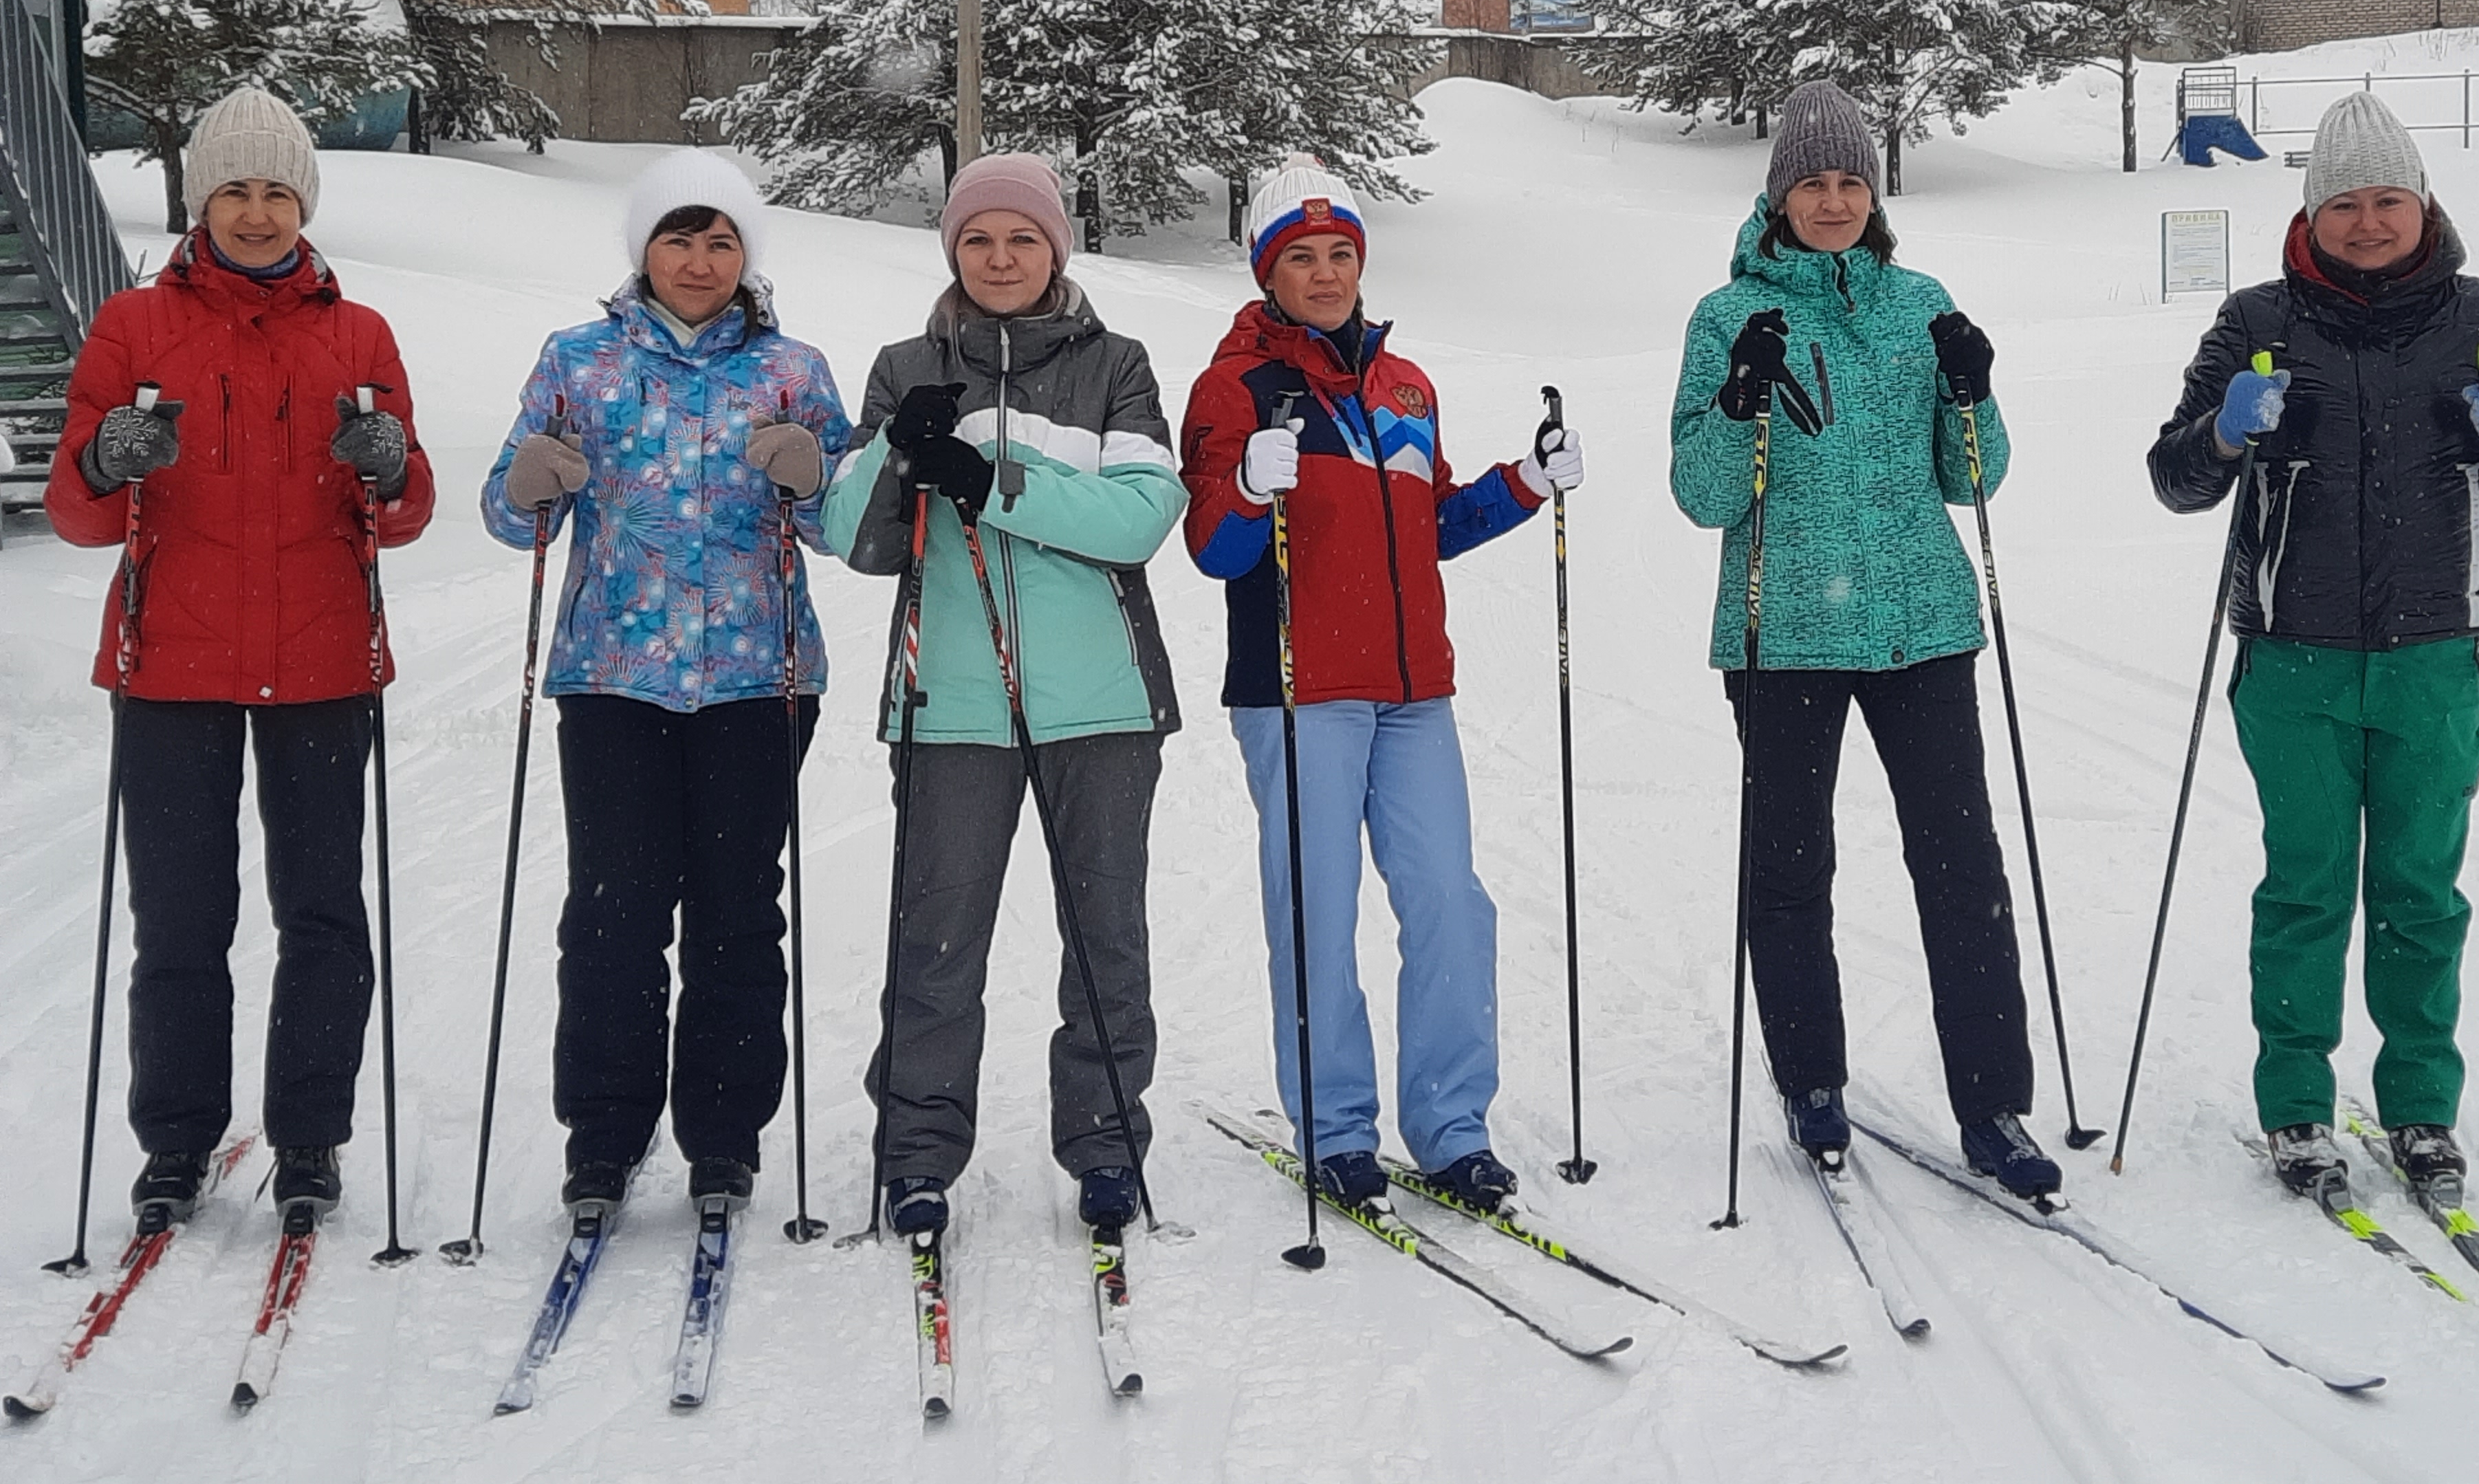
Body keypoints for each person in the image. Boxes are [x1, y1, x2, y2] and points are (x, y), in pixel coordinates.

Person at [2148, 91, 2479, 1197]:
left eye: (2388, 199)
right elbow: (2176, 479)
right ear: (2311, 212)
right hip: (2292, 658)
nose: (2368, 221)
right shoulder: (2257, 320)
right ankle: (2297, 1102)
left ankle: (2422, 1106)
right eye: (2344, 203)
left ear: (2423, 202)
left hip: (2434, 656)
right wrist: (2224, 432)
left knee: (2420, 891)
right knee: (2306, 888)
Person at [45, 87, 437, 1230]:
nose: (257, 214)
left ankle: (310, 1137)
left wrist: (388, 465)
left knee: (322, 914)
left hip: (323, 662)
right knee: (179, 921)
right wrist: (108, 459)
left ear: (304, 203)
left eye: (276, 192)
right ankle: (176, 1143)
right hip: (170, 666)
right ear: (200, 201)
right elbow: (76, 511)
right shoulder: (134, 327)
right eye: (234, 191)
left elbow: (406, 511)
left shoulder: (358, 333)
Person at [1667, 80, 2061, 1199]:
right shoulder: (1728, 317)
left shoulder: (1920, 303)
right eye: (1813, 183)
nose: (1834, 201)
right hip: (1785, 632)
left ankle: (1992, 1104)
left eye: (1851, 182)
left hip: (1922, 626)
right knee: (1792, 867)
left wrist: (1973, 394)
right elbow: (1702, 495)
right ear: (1778, 196)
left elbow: (1972, 479)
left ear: (1874, 194)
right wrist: (1738, 400)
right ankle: (1811, 1081)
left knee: (1962, 867)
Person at [1179, 155, 1582, 1215]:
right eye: (1301, 258)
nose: (1325, 274)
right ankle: (1338, 1130)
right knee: (1317, 910)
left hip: (1412, 693)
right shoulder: (1236, 388)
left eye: (1340, 254)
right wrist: (1246, 485)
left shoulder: (1406, 388)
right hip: (1297, 688)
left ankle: (1453, 1131)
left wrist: (1524, 484)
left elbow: (1429, 524)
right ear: (1268, 273)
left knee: (1451, 901)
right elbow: (1214, 549)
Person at [820, 153, 1185, 1242]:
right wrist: (899, 454)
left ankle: (1107, 1144)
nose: (1000, 257)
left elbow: (1140, 517)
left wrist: (993, 479)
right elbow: (854, 539)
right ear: (953, 251)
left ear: (1056, 249)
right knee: (936, 944)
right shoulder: (905, 367)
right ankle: (917, 1156)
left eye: (1023, 238)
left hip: (1101, 702)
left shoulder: (1116, 365)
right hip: (952, 704)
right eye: (977, 239)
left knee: (1106, 939)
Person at [481, 148, 849, 1213]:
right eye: (678, 239)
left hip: (759, 680)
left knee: (738, 911)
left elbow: (847, 527)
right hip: (613, 680)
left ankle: (724, 1137)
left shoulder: (792, 370)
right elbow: (510, 516)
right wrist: (528, 484)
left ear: (747, 255)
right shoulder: (578, 361)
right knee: (615, 911)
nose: (699, 261)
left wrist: (815, 480)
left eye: (720, 241)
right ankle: (604, 1135)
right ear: (644, 251)